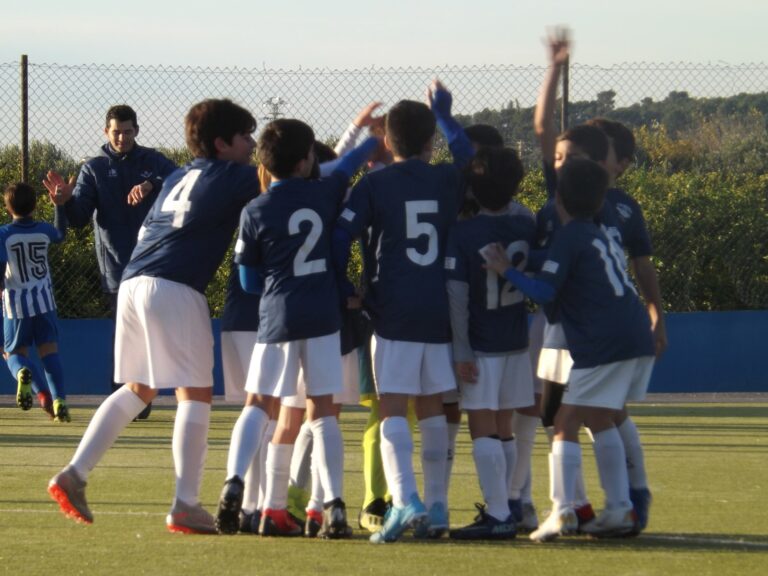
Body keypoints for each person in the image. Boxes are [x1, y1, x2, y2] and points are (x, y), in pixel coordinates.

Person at [47, 98, 259, 533]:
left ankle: (75, 472)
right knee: (195, 393)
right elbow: (287, 186)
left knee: (139, 388)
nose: (252, 143)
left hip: (132, 282)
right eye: (245, 136)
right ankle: (185, 502)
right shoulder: (235, 174)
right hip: (174, 287)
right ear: (222, 143)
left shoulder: (179, 174)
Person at [216, 118, 378, 539]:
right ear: (308, 160)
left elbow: (249, 282)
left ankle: (235, 484)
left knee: (258, 404)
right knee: (323, 411)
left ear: (264, 163)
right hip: (324, 318)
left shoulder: (256, 208)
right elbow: (349, 163)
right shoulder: (325, 192)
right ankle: (334, 506)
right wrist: (376, 135)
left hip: (277, 316)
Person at [483, 157, 655, 542]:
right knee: (601, 418)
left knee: (564, 423)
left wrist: (505, 270)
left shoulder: (569, 236)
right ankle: (620, 508)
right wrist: (524, 261)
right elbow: (555, 263)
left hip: (603, 342)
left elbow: (545, 291)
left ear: (557, 199)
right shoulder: (595, 233)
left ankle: (563, 509)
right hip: (632, 335)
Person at [334, 81, 469, 543]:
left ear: (387, 141)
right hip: (438, 310)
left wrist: (344, 285)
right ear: (431, 142)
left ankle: (404, 499)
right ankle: (436, 507)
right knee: (432, 406)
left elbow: (340, 236)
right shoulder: (450, 178)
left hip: (392, 309)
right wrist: (448, 119)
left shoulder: (373, 182)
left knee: (391, 405)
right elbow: (471, 159)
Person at [43, 105, 177, 420]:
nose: (122, 137)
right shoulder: (94, 169)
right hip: (117, 269)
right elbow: (76, 220)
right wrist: (62, 204)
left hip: (155, 264)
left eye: (127, 131)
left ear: (136, 131)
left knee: (149, 332)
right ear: (106, 132)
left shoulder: (152, 161)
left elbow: (180, 178)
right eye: (116, 131)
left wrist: (151, 185)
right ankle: (124, 400)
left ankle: (142, 397)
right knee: (125, 334)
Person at [445, 146, 535, 540]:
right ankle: (510, 503)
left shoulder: (463, 233)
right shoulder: (528, 225)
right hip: (516, 338)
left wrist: (461, 348)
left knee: (482, 426)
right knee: (505, 427)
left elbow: (457, 297)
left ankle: (498, 514)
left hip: (481, 343)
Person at [0, 183, 69, 421]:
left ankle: (22, 373)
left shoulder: (4, 234)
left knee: (13, 352)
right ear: (35, 205)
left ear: (8, 208)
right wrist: (59, 206)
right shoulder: (43, 230)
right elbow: (61, 234)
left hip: (16, 304)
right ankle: (59, 401)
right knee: (49, 352)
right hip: (44, 302)